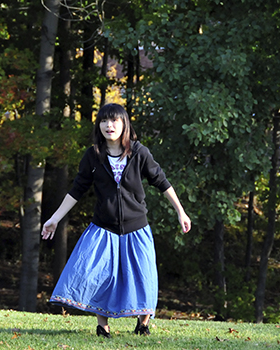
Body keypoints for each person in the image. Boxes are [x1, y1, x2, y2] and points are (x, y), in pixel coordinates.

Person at [41, 103, 191, 338]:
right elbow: (77, 189)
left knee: (143, 276)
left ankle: (142, 323)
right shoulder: (93, 155)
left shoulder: (140, 152)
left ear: (125, 125)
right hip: (104, 228)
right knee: (99, 276)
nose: (109, 125)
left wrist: (180, 211)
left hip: (136, 227)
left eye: (114, 121)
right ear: (98, 125)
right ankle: (103, 326)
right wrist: (55, 218)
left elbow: (161, 181)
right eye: (103, 121)